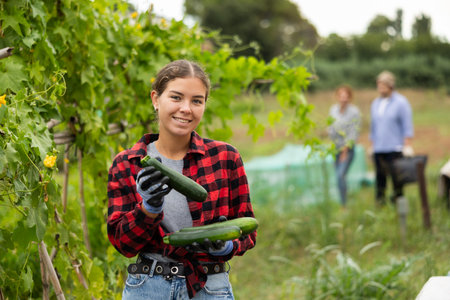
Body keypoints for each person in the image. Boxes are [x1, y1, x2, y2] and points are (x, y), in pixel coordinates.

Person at [107, 59, 256, 299]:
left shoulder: (226, 157)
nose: (186, 108)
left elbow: (248, 230)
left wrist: (227, 245)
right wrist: (148, 209)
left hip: (210, 286)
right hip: (148, 286)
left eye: (197, 100)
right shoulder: (128, 163)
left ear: (205, 105)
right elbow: (123, 244)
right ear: (156, 99)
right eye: (176, 97)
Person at [370, 70, 414, 205]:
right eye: (379, 85)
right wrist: (372, 144)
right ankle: (380, 204)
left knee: (397, 179)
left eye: (383, 85)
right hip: (379, 148)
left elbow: (407, 125)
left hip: (394, 147)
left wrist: (407, 144)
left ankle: (398, 204)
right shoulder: (376, 103)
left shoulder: (401, 102)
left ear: (390, 86)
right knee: (380, 178)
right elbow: (374, 126)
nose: (380, 88)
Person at [328, 85, 361, 206]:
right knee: (338, 176)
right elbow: (330, 127)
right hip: (335, 149)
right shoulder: (333, 110)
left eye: (346, 96)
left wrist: (345, 151)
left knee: (340, 175)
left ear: (350, 98)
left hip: (347, 150)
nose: (344, 99)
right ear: (337, 97)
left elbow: (353, 133)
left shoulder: (354, 112)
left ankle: (344, 204)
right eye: (341, 96)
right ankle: (343, 199)